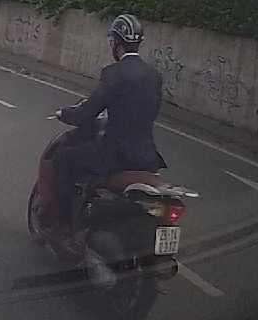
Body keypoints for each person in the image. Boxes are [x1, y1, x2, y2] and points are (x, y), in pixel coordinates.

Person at [44, 14, 168, 231]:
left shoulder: (114, 73)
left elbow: (88, 112)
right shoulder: (154, 75)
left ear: (116, 43)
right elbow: (148, 110)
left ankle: (61, 223)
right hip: (147, 156)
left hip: (115, 154)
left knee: (62, 159)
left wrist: (65, 113)